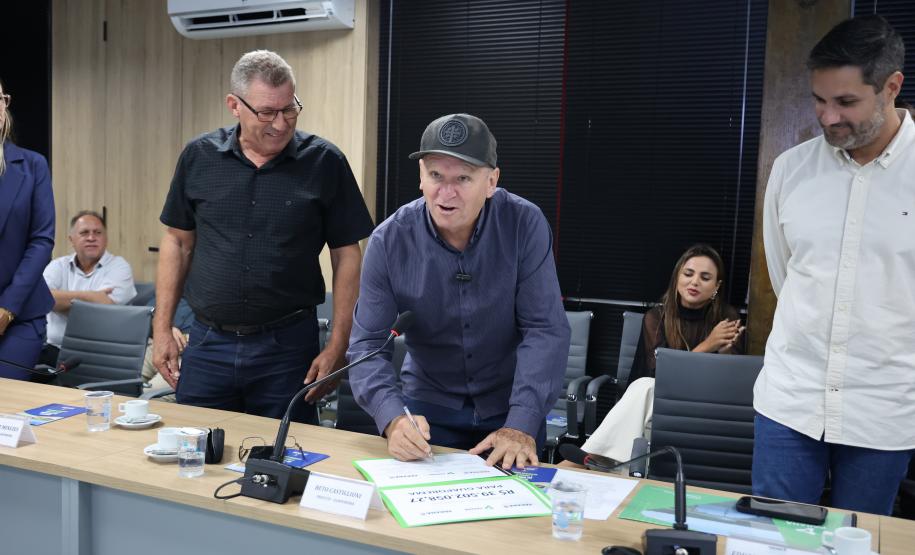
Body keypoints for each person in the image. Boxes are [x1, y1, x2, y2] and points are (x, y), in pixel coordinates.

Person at [154, 50, 374, 424]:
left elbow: (347, 254)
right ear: (234, 106)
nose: (280, 123)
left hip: (287, 348)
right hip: (207, 343)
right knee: (196, 457)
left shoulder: (324, 162)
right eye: (267, 112)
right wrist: (161, 329)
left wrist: (339, 344)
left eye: (289, 109)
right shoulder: (199, 157)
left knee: (286, 463)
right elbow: (177, 242)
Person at [347, 113, 571, 469]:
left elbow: (544, 329)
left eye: (463, 178)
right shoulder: (388, 241)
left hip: (510, 408)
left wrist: (521, 422)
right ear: (421, 176)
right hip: (426, 411)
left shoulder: (524, 225)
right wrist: (392, 418)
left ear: (491, 181)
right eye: (436, 175)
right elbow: (367, 345)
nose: (446, 193)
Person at [755, 15, 914, 515]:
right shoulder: (791, 169)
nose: (827, 118)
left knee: (859, 543)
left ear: (891, 88)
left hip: (884, 407)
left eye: (846, 102)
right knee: (774, 543)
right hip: (790, 400)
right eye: (819, 100)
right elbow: (786, 276)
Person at [567, 244, 744, 466]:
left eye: (705, 277)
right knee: (645, 386)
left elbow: (731, 381)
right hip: (662, 399)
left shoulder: (726, 318)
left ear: (716, 286)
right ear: (677, 277)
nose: (694, 282)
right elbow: (659, 375)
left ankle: (595, 459)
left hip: (704, 403)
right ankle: (601, 460)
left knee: (644, 388)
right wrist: (709, 345)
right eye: (688, 274)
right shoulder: (657, 317)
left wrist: (727, 350)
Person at [0, 79, 56, 381]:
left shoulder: (33, 166)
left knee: (5, 403)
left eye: (0, 98)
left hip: (19, 313)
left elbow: (41, 240)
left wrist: (7, 308)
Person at [40, 210, 137, 365]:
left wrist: (60, 301)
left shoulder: (119, 266)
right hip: (55, 349)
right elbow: (41, 298)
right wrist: (93, 296)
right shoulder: (58, 265)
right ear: (71, 239)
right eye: (84, 233)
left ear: (105, 239)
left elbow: (105, 308)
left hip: (102, 354)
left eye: (97, 232)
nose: (91, 238)